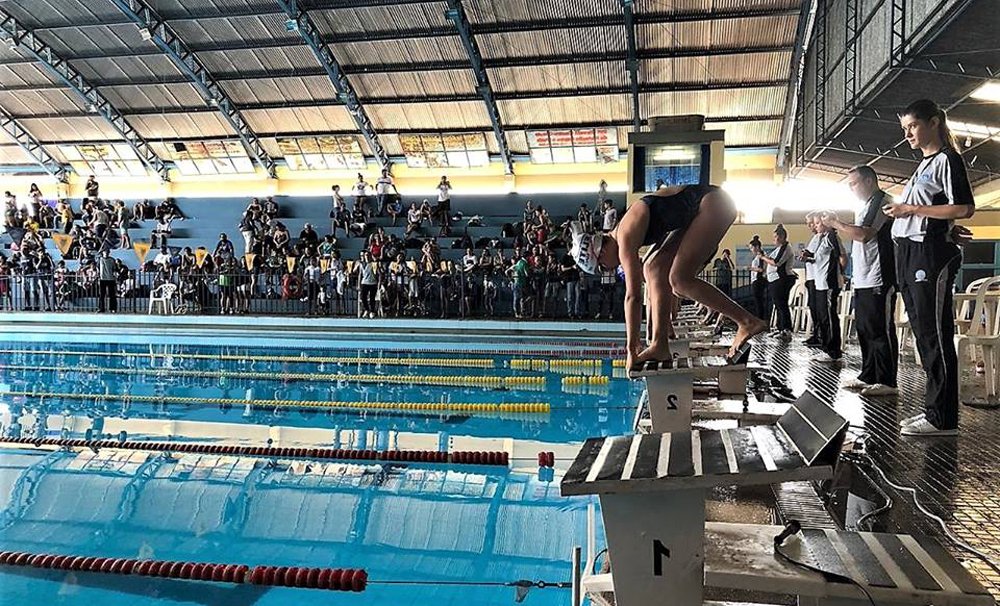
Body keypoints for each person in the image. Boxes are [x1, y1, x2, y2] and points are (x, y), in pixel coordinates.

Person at [571, 184, 767, 366]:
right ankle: (660, 344)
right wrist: (655, 327)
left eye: (602, 267)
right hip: (700, 210)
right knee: (653, 267)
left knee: (679, 280)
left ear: (600, 252)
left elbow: (633, 296)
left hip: (713, 204)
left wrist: (631, 349)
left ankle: (747, 321)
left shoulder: (624, 237)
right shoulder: (626, 229)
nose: (608, 269)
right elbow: (651, 270)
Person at [884, 99, 975, 437]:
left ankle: (943, 418)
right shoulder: (923, 165)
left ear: (934, 122)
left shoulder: (948, 160)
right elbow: (939, 210)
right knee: (923, 333)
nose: (908, 134)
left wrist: (911, 210)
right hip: (909, 252)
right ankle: (933, 411)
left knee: (935, 334)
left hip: (930, 255)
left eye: (913, 126)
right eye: (905, 128)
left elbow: (964, 207)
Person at [825, 165, 898, 396]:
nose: (851, 188)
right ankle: (869, 375)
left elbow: (865, 234)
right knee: (865, 327)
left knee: (880, 328)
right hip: (863, 276)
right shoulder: (865, 205)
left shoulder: (882, 200)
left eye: (854, 183)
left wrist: (836, 223)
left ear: (869, 181)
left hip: (879, 275)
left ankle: (887, 381)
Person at [809, 213, 844, 361]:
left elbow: (842, 256)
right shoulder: (822, 239)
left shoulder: (831, 237)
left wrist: (841, 273)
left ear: (826, 223)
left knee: (829, 316)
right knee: (823, 317)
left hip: (829, 283)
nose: (815, 226)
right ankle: (826, 348)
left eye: (818, 223)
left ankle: (833, 351)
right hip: (820, 282)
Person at [761, 224, 796, 341]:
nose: (774, 239)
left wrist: (763, 258)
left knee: (782, 304)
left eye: (775, 237)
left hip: (782, 279)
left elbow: (776, 262)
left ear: (781, 237)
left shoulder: (786, 247)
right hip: (774, 279)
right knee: (777, 304)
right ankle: (780, 328)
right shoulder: (778, 249)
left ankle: (786, 329)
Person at [96, 249, 117, 313]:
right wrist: (98, 275)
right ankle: (101, 308)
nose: (106, 253)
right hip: (102, 279)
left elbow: (114, 269)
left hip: (110, 279)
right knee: (101, 295)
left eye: (107, 252)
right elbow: (97, 268)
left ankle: (113, 308)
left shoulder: (112, 260)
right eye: (105, 252)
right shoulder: (99, 259)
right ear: (103, 252)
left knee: (112, 295)